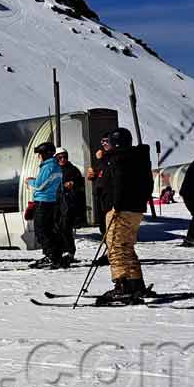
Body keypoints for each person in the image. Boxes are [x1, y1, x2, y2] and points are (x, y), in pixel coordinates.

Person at [97, 128, 154, 305]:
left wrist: (117, 205)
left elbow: (119, 182)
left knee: (116, 248)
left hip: (120, 209)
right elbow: (148, 185)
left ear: (115, 143)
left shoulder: (118, 159)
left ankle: (122, 286)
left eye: (108, 142)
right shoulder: (139, 158)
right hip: (136, 209)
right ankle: (136, 283)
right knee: (127, 246)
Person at [25, 142, 64, 268]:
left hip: (43, 202)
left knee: (42, 231)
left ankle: (52, 256)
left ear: (45, 155)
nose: (38, 157)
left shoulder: (48, 167)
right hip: (50, 201)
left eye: (39, 154)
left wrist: (29, 181)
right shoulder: (55, 165)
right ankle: (54, 255)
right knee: (48, 230)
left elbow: (39, 185)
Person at [55, 147, 85, 263]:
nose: (63, 159)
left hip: (68, 203)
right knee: (57, 227)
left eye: (65, 157)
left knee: (65, 227)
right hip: (56, 202)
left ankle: (69, 252)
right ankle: (59, 251)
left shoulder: (72, 170)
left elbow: (79, 184)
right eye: (60, 157)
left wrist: (72, 184)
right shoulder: (54, 170)